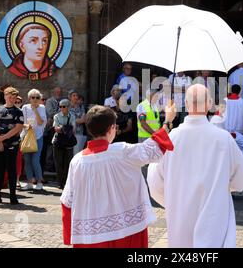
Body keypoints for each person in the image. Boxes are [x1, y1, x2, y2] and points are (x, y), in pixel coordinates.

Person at [147, 84, 243, 248]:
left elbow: (154, 181)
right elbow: (242, 176)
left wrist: (173, 201)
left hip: (180, 215)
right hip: (215, 214)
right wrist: (222, 187)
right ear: (209, 104)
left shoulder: (172, 138)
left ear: (186, 105)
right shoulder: (223, 139)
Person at [61, 105, 175, 248]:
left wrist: (70, 236)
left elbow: (67, 201)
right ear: (112, 128)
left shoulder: (77, 161)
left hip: (91, 235)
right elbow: (154, 148)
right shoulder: (122, 151)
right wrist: (167, 122)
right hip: (126, 230)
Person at [21, 89, 47, 191]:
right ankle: (29, 182)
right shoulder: (25, 107)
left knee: (35, 160)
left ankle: (39, 182)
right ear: (29, 98)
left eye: (37, 97)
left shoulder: (42, 108)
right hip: (27, 136)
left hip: (38, 137)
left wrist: (35, 110)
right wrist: (27, 126)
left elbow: (41, 122)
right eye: (33, 97)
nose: (35, 99)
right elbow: (21, 122)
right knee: (27, 160)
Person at [53, 99, 75, 189]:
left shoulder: (72, 116)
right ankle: (59, 182)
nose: (61, 108)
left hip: (68, 142)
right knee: (58, 163)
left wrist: (61, 128)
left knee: (67, 162)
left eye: (64, 106)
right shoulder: (56, 116)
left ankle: (66, 182)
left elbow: (73, 129)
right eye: (60, 106)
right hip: (58, 141)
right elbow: (56, 128)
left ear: (68, 107)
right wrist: (65, 128)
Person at [43, 87, 63, 173]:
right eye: (57, 92)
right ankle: (49, 165)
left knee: (58, 147)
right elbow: (50, 113)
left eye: (60, 92)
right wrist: (61, 111)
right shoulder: (49, 101)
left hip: (60, 128)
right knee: (51, 147)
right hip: (51, 128)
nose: (58, 93)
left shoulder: (62, 101)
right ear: (53, 92)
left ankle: (56, 166)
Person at [69, 90, 87, 156]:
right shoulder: (67, 106)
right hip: (69, 133)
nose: (76, 97)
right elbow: (69, 119)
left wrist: (76, 120)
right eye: (74, 95)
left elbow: (84, 119)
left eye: (77, 95)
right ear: (70, 97)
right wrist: (77, 120)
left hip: (79, 133)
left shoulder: (81, 107)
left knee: (78, 153)